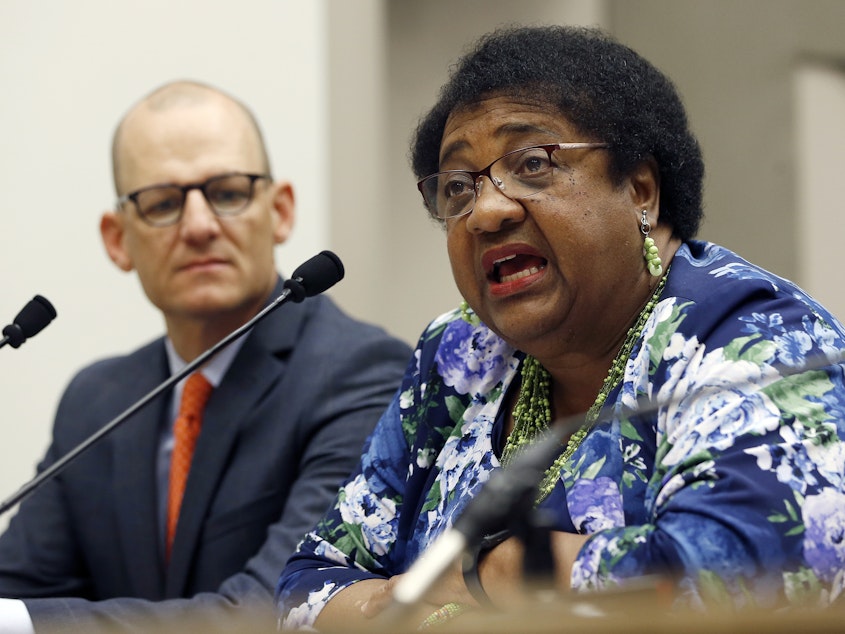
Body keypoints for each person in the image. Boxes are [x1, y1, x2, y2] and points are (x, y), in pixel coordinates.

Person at [276, 24, 845, 631]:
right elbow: (310, 578)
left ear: (641, 190)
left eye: (532, 163)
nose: (486, 212)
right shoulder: (459, 355)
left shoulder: (756, 335)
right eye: (458, 187)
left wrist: (495, 571)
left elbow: (745, 580)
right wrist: (388, 605)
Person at [0, 80, 411, 632]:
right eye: (163, 202)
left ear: (281, 210)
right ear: (117, 238)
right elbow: (21, 588)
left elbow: (276, 609)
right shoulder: (96, 400)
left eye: (228, 191)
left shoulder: (361, 372)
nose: (198, 226)